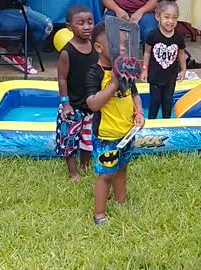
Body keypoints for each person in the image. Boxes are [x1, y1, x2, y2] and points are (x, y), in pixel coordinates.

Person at [86, 22, 145, 225]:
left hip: (126, 132)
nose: (121, 48)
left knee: (122, 168)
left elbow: (134, 95)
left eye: (123, 44)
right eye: (115, 44)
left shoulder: (126, 69)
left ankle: (121, 203)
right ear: (99, 48)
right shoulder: (95, 73)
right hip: (106, 135)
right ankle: (99, 215)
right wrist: (113, 83)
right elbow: (93, 104)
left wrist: (139, 112)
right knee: (106, 174)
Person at [54, 5, 98, 182]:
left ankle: (85, 166)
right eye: (81, 23)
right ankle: (73, 172)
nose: (87, 26)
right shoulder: (67, 52)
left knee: (88, 140)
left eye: (90, 22)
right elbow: (62, 79)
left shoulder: (96, 47)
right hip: (72, 107)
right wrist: (65, 103)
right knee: (69, 140)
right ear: (69, 27)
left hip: (91, 104)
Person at [102, 0, 201, 69]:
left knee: (150, 32)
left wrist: (140, 12)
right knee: (105, 31)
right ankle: (110, 68)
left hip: (145, 11)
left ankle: (155, 67)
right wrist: (118, 10)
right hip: (117, 10)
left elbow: (154, 2)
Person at [140, 0, 186, 119]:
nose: (170, 21)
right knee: (154, 102)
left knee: (167, 102)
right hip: (155, 76)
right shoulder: (152, 35)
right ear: (157, 17)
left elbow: (181, 54)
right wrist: (145, 70)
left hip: (171, 77)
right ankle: (151, 123)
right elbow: (147, 53)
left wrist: (183, 70)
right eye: (166, 17)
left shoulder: (178, 37)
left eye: (174, 18)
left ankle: (167, 124)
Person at [0, 1, 53, 74]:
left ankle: (19, 52)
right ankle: (16, 53)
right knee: (46, 25)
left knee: (35, 24)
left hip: (2, 12)